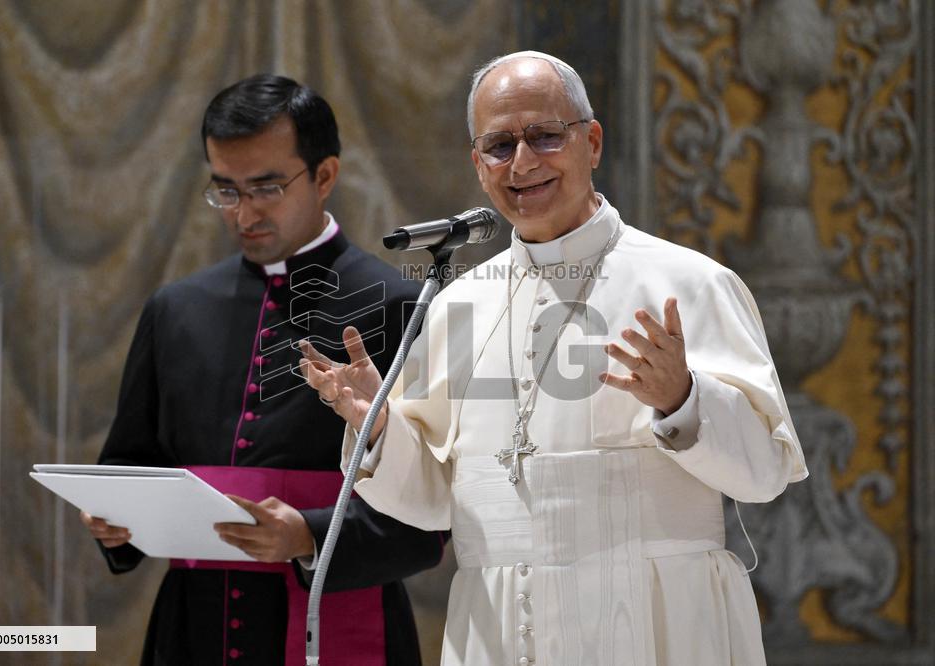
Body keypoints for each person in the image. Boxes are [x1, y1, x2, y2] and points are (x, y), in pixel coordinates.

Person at [300, 51, 808, 665]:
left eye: (545, 136)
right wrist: (378, 427)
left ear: (591, 142)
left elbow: (765, 474)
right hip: (504, 627)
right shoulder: (458, 305)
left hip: (660, 622)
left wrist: (684, 398)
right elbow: (435, 501)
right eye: (498, 145)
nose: (522, 163)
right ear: (477, 163)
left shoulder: (690, 284)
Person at [80, 73, 445, 666]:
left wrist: (311, 534)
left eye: (265, 188)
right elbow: (129, 461)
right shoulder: (175, 310)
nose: (242, 213)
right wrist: (115, 519)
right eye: (225, 190)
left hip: (341, 620)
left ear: (325, 175)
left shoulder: (397, 304)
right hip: (192, 628)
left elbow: (432, 519)